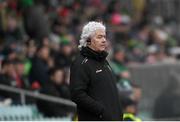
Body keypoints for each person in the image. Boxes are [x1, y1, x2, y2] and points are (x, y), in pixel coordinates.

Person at [70, 21, 123, 121]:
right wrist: (101, 111)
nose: (104, 40)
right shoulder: (81, 63)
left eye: (104, 37)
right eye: (99, 37)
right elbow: (77, 95)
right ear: (88, 40)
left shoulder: (104, 61)